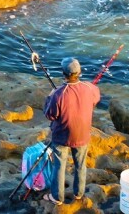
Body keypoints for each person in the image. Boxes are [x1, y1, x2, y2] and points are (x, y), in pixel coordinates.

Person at [42, 58, 101, 205]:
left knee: (59, 166)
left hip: (62, 136)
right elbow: (96, 98)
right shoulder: (89, 88)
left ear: (64, 74)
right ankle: (79, 194)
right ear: (79, 73)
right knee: (80, 165)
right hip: (82, 135)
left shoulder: (58, 93)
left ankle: (57, 197)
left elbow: (50, 115)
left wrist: (50, 96)